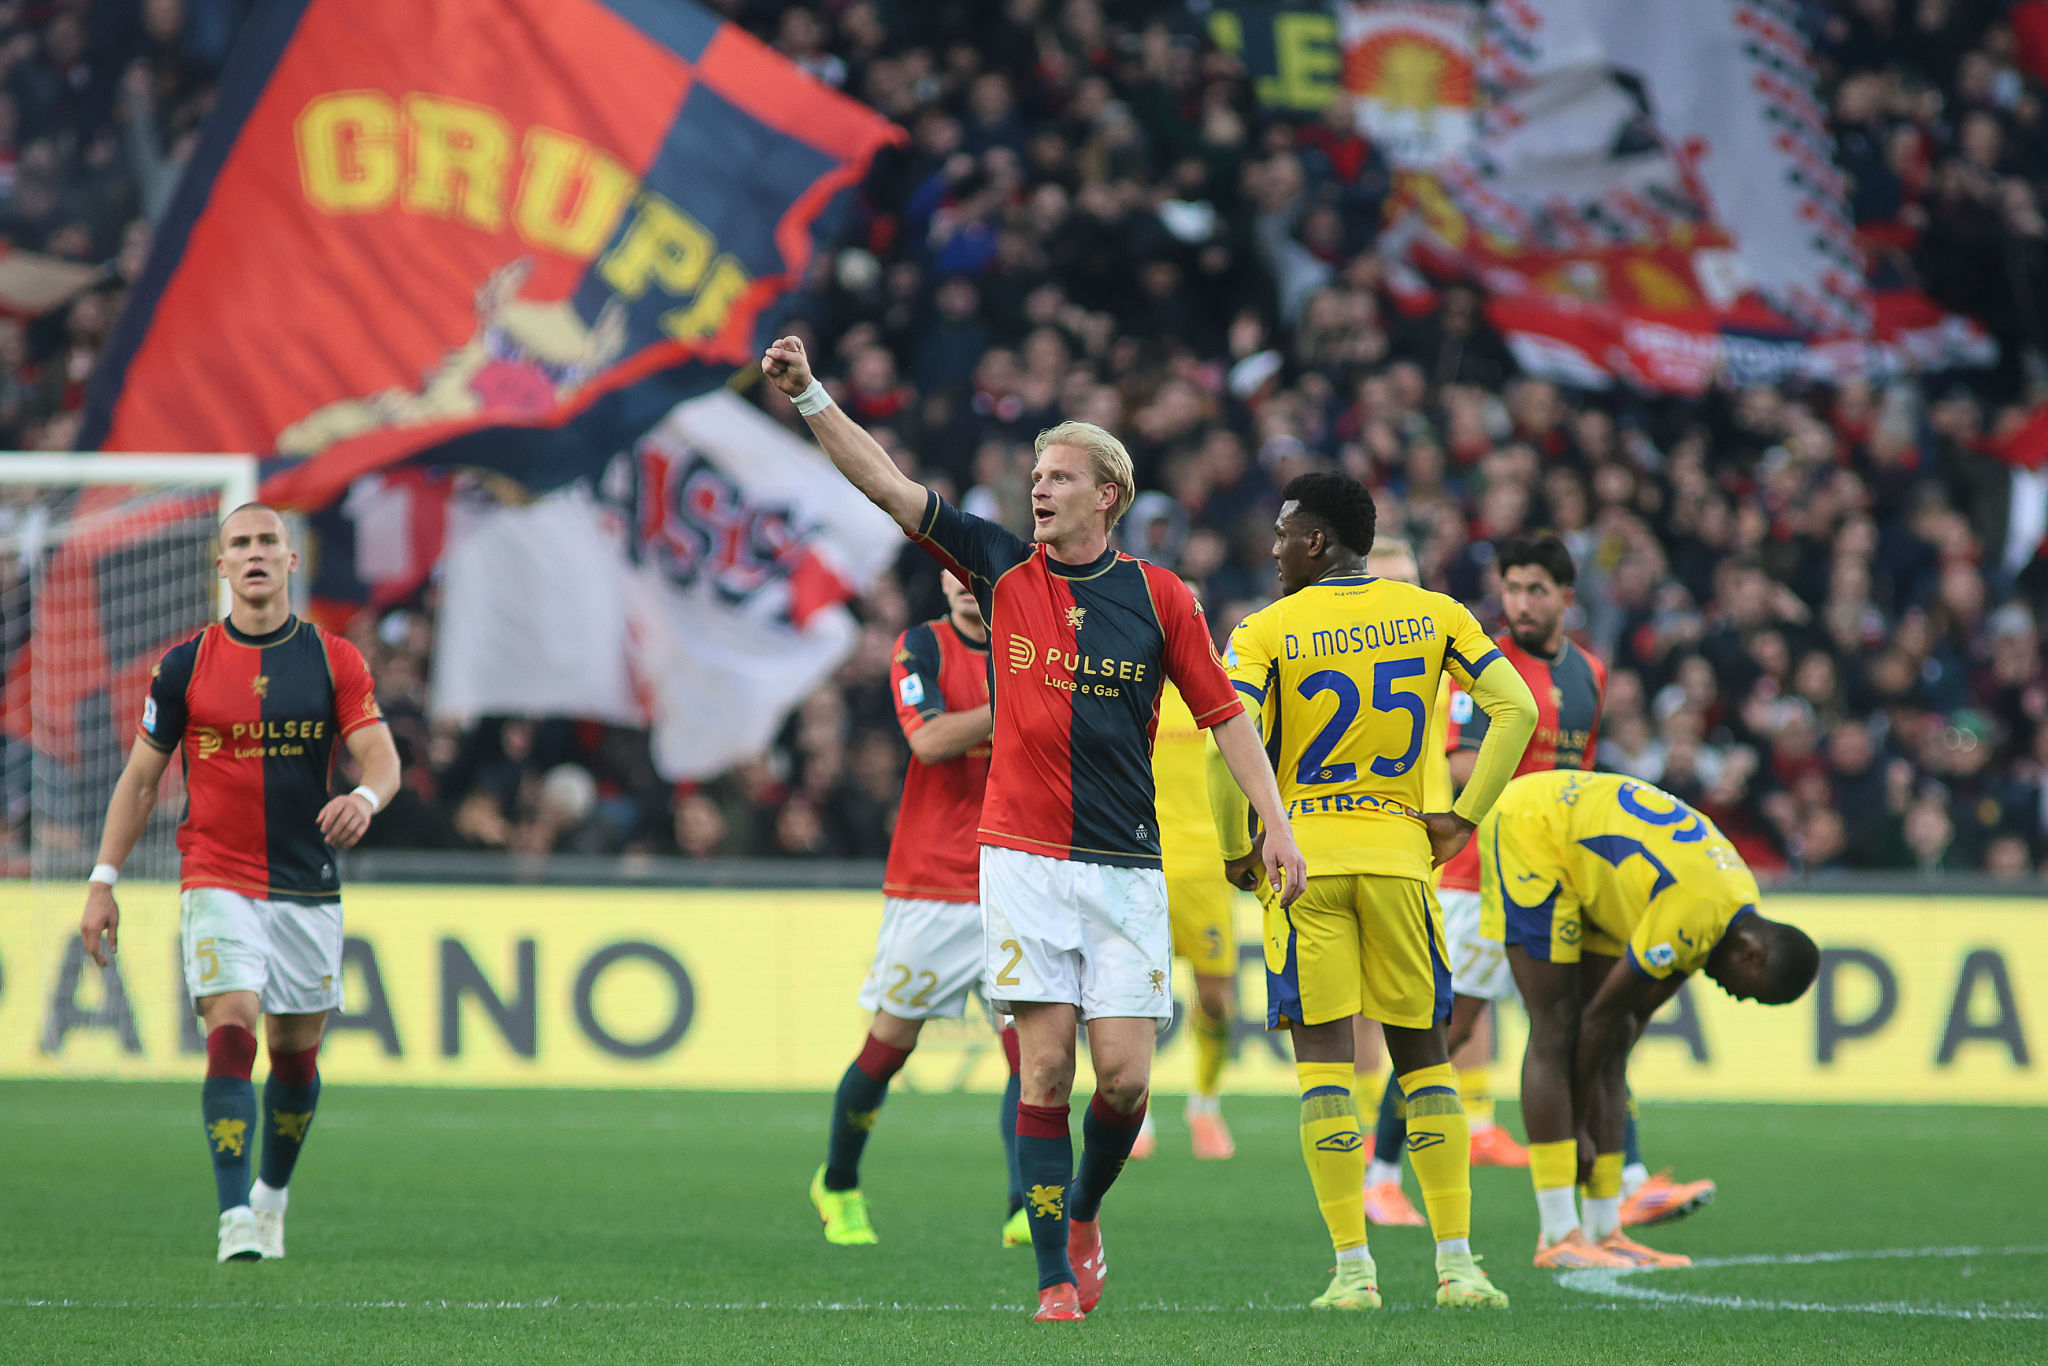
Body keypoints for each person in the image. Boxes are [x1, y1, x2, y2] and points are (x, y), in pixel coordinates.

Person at [763, 336, 1306, 1323]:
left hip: (1123, 867)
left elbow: (1227, 717)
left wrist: (1275, 826)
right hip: (1016, 862)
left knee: (1129, 1084)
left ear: (1109, 494)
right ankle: (1054, 1271)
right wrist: (811, 399)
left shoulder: (1159, 598)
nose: (1039, 490)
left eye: (1058, 476)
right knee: (1047, 1067)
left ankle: (1085, 1212)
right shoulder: (1004, 570)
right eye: (1033, 475)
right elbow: (887, 486)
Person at [1209, 472, 1539, 1311]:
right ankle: (1459, 1266)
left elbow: (1225, 744)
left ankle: (1353, 1272)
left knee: (1324, 1071)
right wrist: (1462, 816)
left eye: (1285, 532)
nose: (1276, 546)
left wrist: (1234, 849)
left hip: (1302, 864)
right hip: (1400, 857)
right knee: (1425, 1061)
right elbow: (1516, 711)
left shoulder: (1263, 630)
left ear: (1316, 541)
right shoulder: (1438, 616)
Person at [78, 504, 399, 1264]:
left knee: (295, 1055)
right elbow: (142, 781)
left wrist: (363, 798)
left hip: (306, 884)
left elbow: (382, 759)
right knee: (233, 1020)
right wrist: (102, 879)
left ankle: (272, 1198)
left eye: (267, 542)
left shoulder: (334, 660)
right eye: (239, 545)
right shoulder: (184, 666)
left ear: (292, 561)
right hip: (216, 873)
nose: (254, 555)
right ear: (220, 567)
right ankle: (233, 1218)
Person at [1480, 770, 1820, 1268]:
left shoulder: (1731, 903)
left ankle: (1603, 1229)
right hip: (1538, 829)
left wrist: (1599, 1084)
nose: (1737, 999)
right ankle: (1557, 1233)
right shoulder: (1698, 913)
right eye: (1751, 995)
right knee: (1557, 1025)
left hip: (1590, 857)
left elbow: (1626, 1019)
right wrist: (1577, 1128)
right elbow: (1597, 1019)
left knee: (1613, 1042)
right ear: (1751, 956)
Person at [1367, 536, 1602, 1218]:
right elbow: (1467, 767)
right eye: (1512, 589)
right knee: (1446, 1027)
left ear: (1566, 596)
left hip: (1552, 876)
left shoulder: (1591, 672)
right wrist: (1543, 798)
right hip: (1477, 875)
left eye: (1536, 590)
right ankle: (1381, 1175)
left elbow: (1580, 775)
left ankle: (1621, 1182)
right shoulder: (1484, 667)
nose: (1521, 604)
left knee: (1583, 1022)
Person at [810, 571, 1029, 1247]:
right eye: (956, 575)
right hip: (933, 884)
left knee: (1033, 1058)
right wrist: (1019, 703)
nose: (969, 586)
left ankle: (1027, 1204)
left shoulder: (1032, 647)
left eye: (981, 577)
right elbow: (929, 741)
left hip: (1018, 879)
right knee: (888, 1048)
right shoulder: (922, 647)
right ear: (939, 581)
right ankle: (838, 1183)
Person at [1129, 679, 1241, 1162]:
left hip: (1207, 867)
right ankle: (1137, 1112)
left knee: (1216, 999)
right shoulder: (1132, 687)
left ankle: (1205, 1104)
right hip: (1143, 862)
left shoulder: (1217, 692)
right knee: (1134, 997)